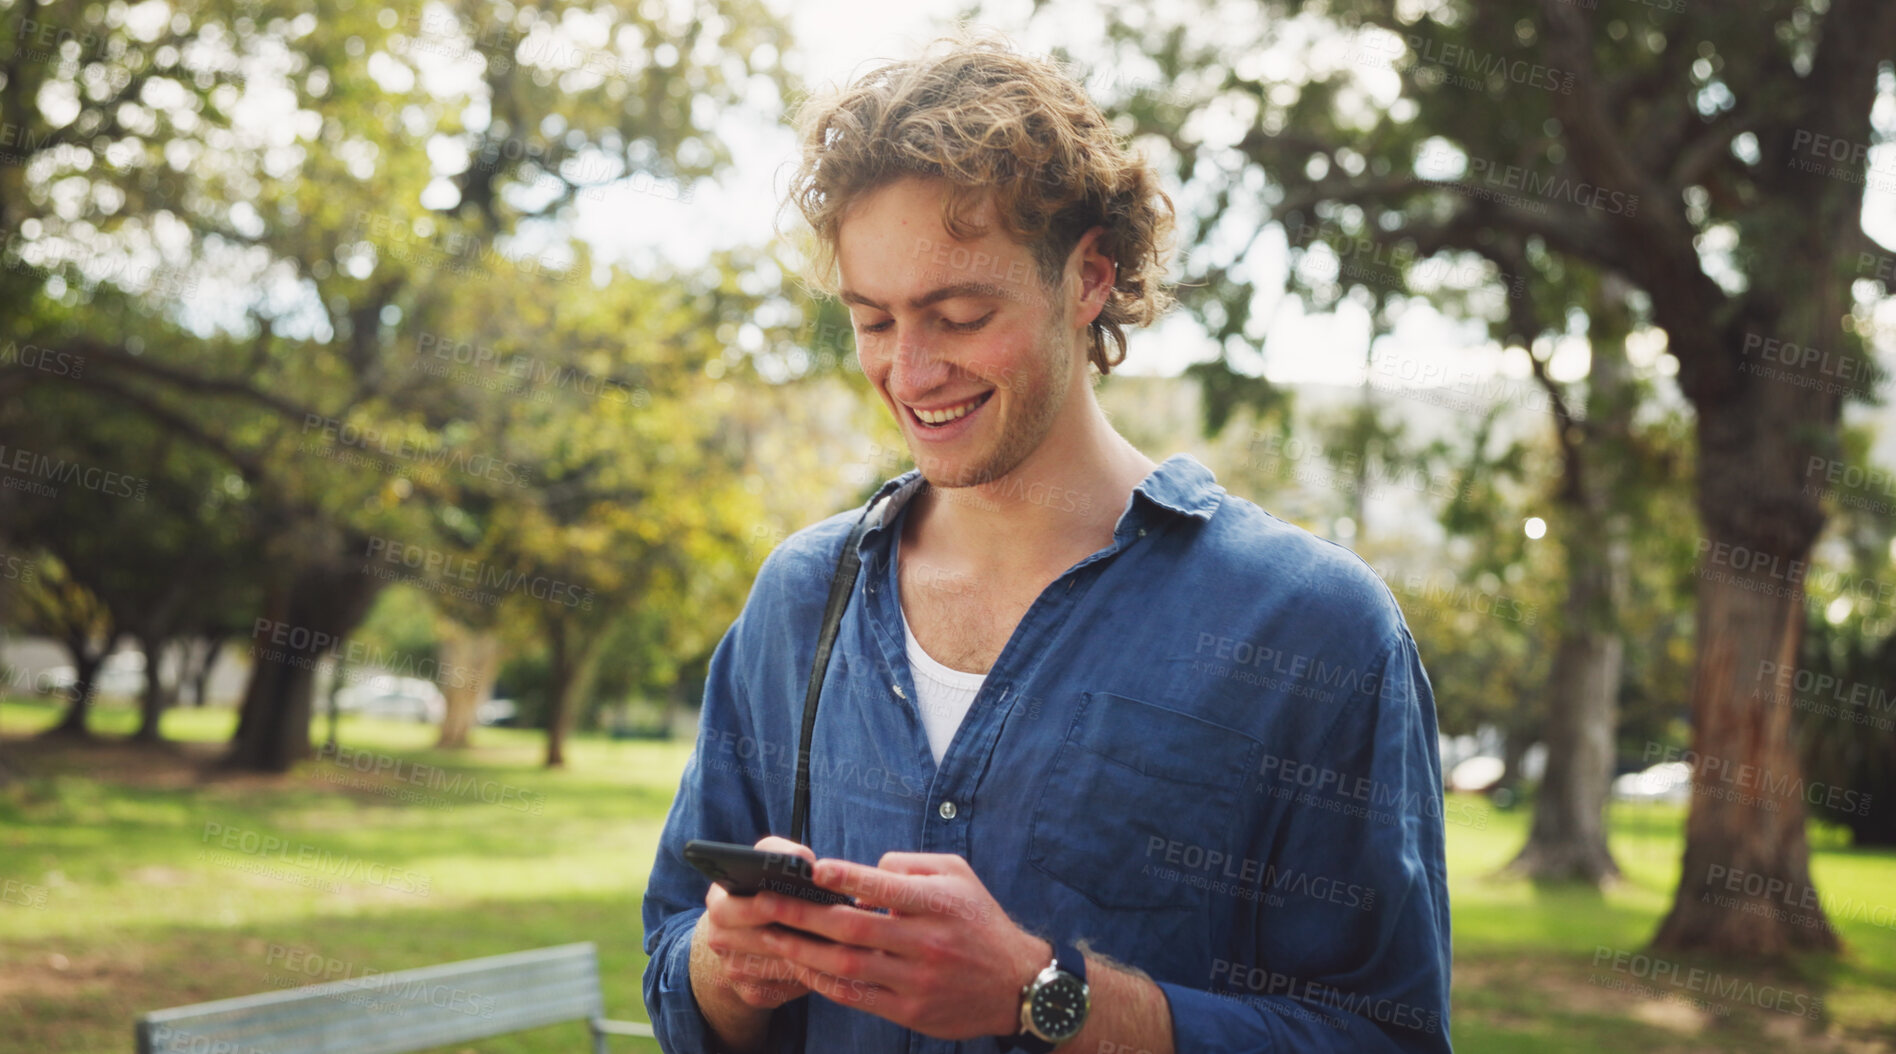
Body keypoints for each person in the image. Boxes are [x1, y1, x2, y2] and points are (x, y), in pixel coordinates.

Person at [642, 33, 1452, 1054]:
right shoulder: (804, 596)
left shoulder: (1314, 629)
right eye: (873, 319)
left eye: (961, 314)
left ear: (1090, 279)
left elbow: (1386, 1037)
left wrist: (1044, 995)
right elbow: (677, 965)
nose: (911, 368)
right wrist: (730, 961)